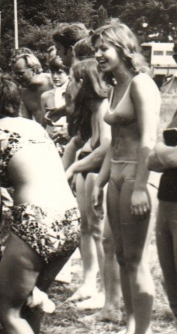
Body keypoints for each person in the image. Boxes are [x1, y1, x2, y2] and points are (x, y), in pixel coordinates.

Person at [0, 75, 80, 334]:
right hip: (72, 219)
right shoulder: (36, 127)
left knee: (7, 312)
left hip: (36, 220)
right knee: (30, 304)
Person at [89, 22, 161, 334]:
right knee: (120, 255)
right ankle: (130, 323)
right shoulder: (116, 86)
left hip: (136, 175)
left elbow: (148, 140)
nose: (98, 54)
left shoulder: (141, 84)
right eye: (96, 49)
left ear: (123, 48)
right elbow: (112, 142)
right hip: (116, 174)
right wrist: (101, 180)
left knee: (136, 259)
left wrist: (141, 187)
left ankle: (140, 329)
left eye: (104, 48)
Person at [61, 59, 122, 319]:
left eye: (74, 79)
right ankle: (88, 282)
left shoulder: (104, 108)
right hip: (88, 172)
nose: (69, 84)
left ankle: (103, 291)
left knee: (99, 232)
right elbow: (83, 142)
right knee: (86, 228)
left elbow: (106, 147)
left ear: (87, 82)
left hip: (98, 174)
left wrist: (75, 167)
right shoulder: (90, 110)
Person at [148, 30, 177, 334]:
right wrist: (167, 153)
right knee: (172, 287)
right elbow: (154, 158)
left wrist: (162, 152)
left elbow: (172, 158)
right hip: (168, 199)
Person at [10, 52, 54, 124]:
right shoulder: (23, 92)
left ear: (34, 70)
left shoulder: (52, 82)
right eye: (15, 74)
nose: (17, 78)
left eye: (20, 73)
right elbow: (26, 121)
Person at [40, 56, 69, 151]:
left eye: (59, 73)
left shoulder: (74, 93)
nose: (55, 76)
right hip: (54, 143)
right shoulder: (46, 96)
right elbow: (45, 124)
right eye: (52, 73)